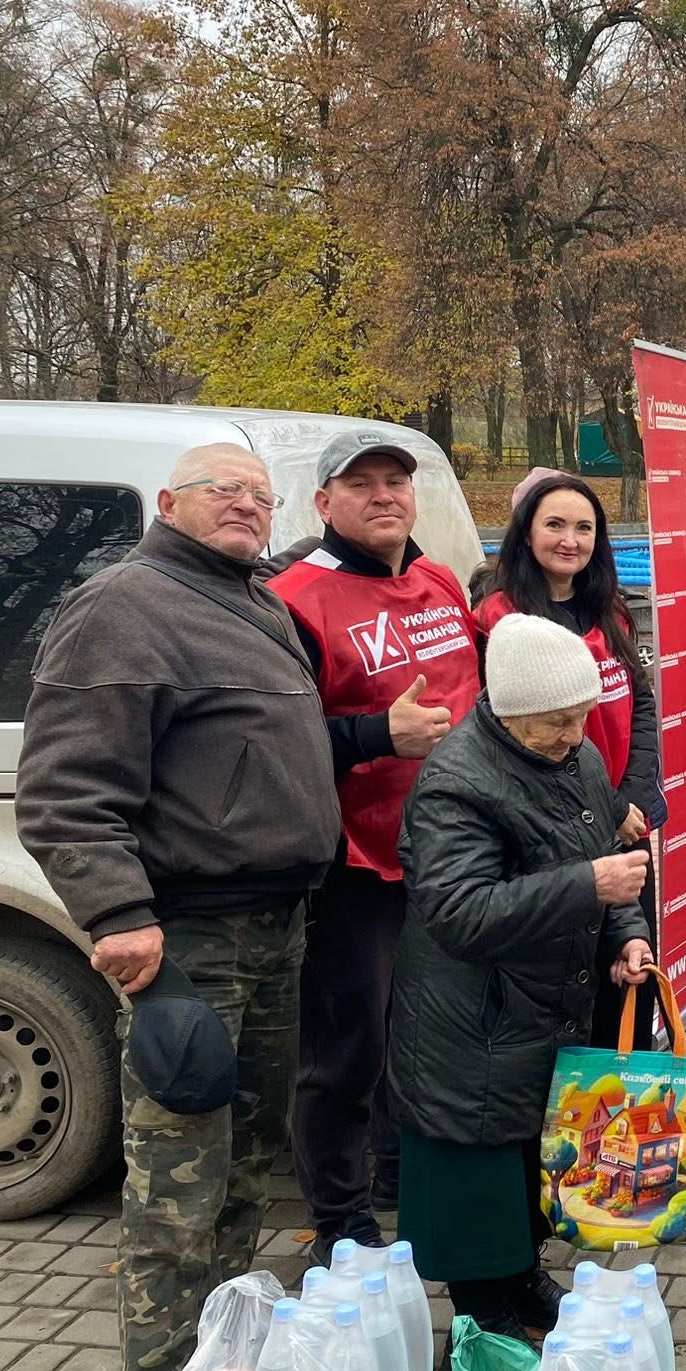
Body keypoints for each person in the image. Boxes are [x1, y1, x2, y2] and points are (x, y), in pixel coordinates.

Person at [15, 444, 341, 1371]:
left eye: (260, 497)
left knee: (244, 1172)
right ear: (168, 503)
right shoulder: (126, 604)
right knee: (176, 1194)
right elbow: (64, 793)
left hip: (275, 930)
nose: (246, 507)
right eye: (223, 491)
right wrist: (120, 918)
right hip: (189, 943)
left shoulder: (256, 600)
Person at [390, 613, 652, 1341]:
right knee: (477, 1179)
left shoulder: (579, 760)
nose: (574, 736)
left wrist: (626, 940)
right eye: (556, 723)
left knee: (529, 1167)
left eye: (581, 718)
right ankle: (482, 1323)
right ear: (507, 712)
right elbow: (457, 911)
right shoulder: (455, 783)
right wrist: (588, 887)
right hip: (470, 1023)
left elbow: (610, 868)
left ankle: (524, 1276)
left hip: (541, 1012)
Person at [266, 431, 480, 1262]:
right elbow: (268, 745)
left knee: (432, 1039)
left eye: (397, 480)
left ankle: (403, 1179)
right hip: (355, 864)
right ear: (324, 504)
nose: (385, 495)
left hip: (452, 855)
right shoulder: (294, 600)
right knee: (346, 1052)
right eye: (362, 484)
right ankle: (339, 1224)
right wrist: (372, 734)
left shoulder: (435, 580)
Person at [474, 471, 662, 1044]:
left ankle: (619, 1102)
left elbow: (641, 704)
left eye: (584, 528)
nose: (570, 540)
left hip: (625, 822)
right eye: (554, 524)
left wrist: (628, 796)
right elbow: (503, 739)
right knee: (569, 982)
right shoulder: (500, 618)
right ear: (525, 532)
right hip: (552, 828)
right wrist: (604, 805)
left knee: (632, 970)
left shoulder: (610, 608)